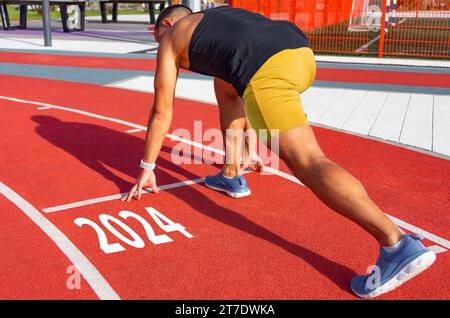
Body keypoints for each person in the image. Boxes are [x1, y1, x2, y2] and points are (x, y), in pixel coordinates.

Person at [121, 4, 436, 298]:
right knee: (226, 86)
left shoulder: (172, 37)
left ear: (167, 23)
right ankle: (232, 173)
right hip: (299, 53)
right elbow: (235, 78)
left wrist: (147, 166)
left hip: (267, 71)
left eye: (157, 35)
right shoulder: (219, 19)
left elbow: (162, 110)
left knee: (308, 161)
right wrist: (249, 145)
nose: (159, 43)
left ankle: (395, 243)